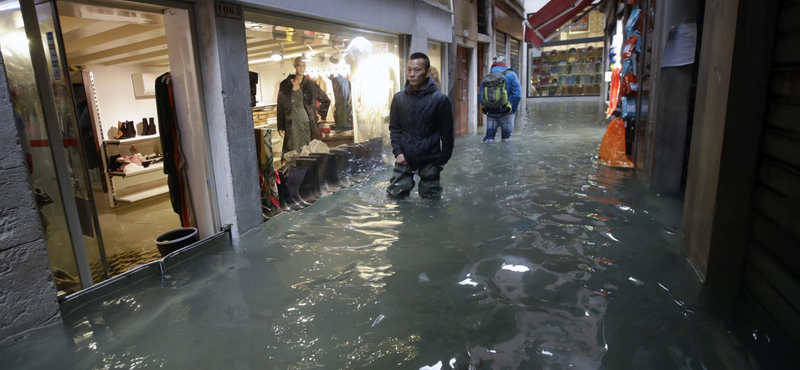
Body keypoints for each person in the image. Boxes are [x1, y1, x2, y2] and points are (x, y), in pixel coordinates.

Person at [387, 52, 454, 199]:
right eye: (409, 69)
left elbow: (447, 134)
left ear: (427, 72)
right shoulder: (399, 99)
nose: (412, 74)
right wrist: (398, 153)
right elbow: (395, 129)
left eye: (417, 70)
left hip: (431, 158)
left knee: (431, 202)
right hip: (404, 157)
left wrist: (442, 160)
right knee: (394, 197)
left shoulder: (440, 100)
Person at [277, 57, 331, 154]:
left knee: (308, 148)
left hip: (306, 120)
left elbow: (326, 100)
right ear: (294, 66)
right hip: (291, 121)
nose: (301, 68)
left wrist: (320, 113)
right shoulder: (285, 84)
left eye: (303, 66)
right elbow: (280, 105)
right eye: (298, 66)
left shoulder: (311, 85)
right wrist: (280, 125)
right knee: (293, 149)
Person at [478, 55, 522, 142]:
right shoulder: (511, 75)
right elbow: (518, 95)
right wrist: (512, 109)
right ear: (505, 64)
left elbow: (481, 96)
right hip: (507, 112)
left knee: (489, 139)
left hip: (491, 112)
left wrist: (488, 106)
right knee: (506, 139)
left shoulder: (487, 76)